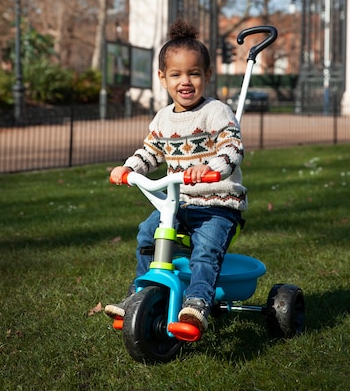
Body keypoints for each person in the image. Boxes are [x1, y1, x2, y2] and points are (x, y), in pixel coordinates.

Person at [105, 19, 247, 335]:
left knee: (206, 248)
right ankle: (139, 295)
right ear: (162, 78)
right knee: (147, 233)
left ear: (207, 76)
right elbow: (151, 151)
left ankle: (196, 303)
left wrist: (212, 169)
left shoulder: (216, 112)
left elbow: (232, 146)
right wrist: (129, 168)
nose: (186, 81)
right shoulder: (163, 118)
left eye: (194, 73)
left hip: (217, 204)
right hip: (178, 204)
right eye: (176, 74)